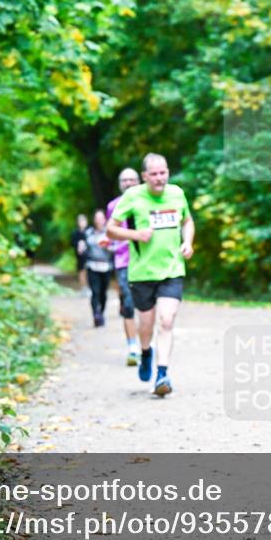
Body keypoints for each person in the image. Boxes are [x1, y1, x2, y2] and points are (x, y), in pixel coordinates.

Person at [106, 153, 194, 397]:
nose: (159, 178)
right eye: (154, 174)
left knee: (166, 321)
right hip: (142, 273)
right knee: (146, 324)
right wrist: (137, 235)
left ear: (168, 172)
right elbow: (110, 229)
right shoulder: (132, 197)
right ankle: (146, 353)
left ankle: (162, 374)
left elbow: (187, 221)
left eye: (163, 173)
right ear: (144, 176)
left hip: (172, 269)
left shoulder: (177, 194)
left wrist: (187, 242)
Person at [104, 168, 142, 365]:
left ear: (139, 181)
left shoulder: (148, 202)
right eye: (124, 180)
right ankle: (133, 347)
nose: (128, 183)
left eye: (132, 180)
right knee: (128, 304)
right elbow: (110, 233)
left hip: (146, 261)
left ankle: (146, 344)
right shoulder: (113, 206)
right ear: (120, 184)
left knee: (146, 306)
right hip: (123, 262)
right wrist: (108, 242)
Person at [83, 208, 115, 327]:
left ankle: (101, 312)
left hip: (106, 267)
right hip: (92, 266)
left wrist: (107, 247)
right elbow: (84, 248)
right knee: (95, 292)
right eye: (97, 218)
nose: (99, 221)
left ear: (104, 220)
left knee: (103, 293)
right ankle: (96, 314)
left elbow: (116, 249)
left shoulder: (110, 233)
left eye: (101, 218)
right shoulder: (88, 233)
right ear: (94, 220)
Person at [70, 214, 90, 295]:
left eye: (84, 220)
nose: (82, 223)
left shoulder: (89, 231)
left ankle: (89, 287)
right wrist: (78, 246)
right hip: (80, 256)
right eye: (81, 221)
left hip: (89, 256)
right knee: (81, 271)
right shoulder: (75, 233)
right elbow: (72, 243)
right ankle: (83, 288)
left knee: (89, 271)